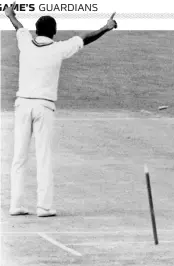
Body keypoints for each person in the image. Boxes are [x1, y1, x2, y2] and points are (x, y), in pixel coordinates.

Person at [5, 2, 118, 217]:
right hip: (44, 107)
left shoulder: (26, 42)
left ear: (36, 31)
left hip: (22, 106)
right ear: (54, 32)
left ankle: (16, 205)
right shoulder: (58, 48)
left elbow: (17, 25)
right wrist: (106, 27)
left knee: (19, 158)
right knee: (44, 157)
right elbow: (85, 38)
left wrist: (10, 13)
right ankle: (44, 207)